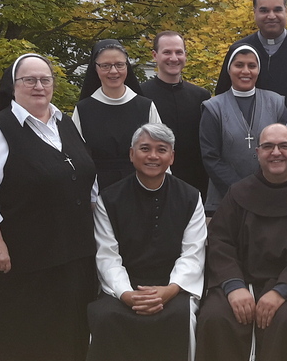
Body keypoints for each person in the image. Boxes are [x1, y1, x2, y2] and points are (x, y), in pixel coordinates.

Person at [0, 53, 97, 360]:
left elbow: (85, 175)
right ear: (13, 86)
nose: (39, 86)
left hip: (70, 251)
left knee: (68, 330)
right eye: (29, 80)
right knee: (23, 332)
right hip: (22, 255)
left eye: (45, 79)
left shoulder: (64, 123)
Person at [195, 123, 287, 361]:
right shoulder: (239, 192)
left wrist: (282, 290)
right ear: (258, 152)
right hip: (242, 281)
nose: (276, 152)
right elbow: (220, 240)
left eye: (284, 146)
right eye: (268, 146)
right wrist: (233, 285)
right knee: (215, 316)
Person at [87, 123, 207, 361]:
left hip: (173, 287)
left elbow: (193, 253)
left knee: (182, 319)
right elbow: (107, 255)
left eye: (161, 150)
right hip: (123, 287)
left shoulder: (191, 197)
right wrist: (126, 294)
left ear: (171, 157)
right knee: (106, 318)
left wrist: (171, 290)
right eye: (145, 148)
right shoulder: (109, 199)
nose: (153, 156)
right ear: (132, 154)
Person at [200, 44, 287, 213]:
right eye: (239, 65)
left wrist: (266, 185)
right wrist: (241, 189)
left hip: (270, 195)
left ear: (258, 70)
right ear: (229, 69)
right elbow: (210, 157)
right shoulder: (213, 108)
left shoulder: (276, 103)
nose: (246, 71)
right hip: (224, 199)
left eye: (252, 66)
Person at [73, 39, 162, 191]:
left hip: (140, 187)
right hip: (97, 191)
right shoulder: (83, 110)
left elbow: (161, 150)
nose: (113, 71)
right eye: (105, 66)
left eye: (119, 65)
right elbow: (77, 157)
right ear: (95, 68)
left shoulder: (145, 106)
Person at [141, 31, 211, 199]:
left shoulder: (201, 96)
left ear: (185, 56)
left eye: (179, 52)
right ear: (154, 55)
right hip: (152, 181)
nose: (174, 58)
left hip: (196, 185)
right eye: (167, 52)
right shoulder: (140, 95)